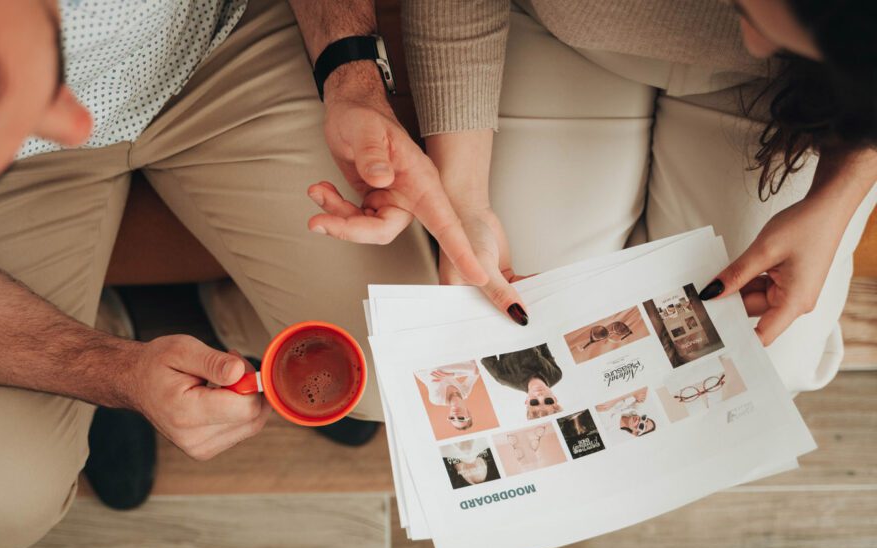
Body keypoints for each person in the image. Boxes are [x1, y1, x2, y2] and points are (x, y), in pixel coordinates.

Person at [0, 0, 467, 548]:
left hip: (215, 49)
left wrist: (350, 75)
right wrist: (109, 371)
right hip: (4, 186)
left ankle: (231, 317)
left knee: (404, 372)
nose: (76, 126)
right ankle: (105, 328)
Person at [307, 0, 877, 395]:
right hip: (563, 34)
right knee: (521, 316)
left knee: (772, 365)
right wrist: (465, 198)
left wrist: (837, 197)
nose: (750, 37)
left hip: (798, 94)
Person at [481, 344, 563, 419]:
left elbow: (485, 351)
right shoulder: (556, 375)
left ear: (527, 401)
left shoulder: (504, 378)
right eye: (548, 401)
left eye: (534, 402)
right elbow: (543, 346)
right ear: (554, 399)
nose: (540, 396)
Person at [413, 361, 481, 430]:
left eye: (452, 418)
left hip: (420, 364)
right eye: (461, 418)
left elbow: (435, 370)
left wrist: (470, 369)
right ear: (468, 414)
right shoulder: (465, 393)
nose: (455, 415)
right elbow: (476, 372)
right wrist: (452, 374)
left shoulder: (437, 399)